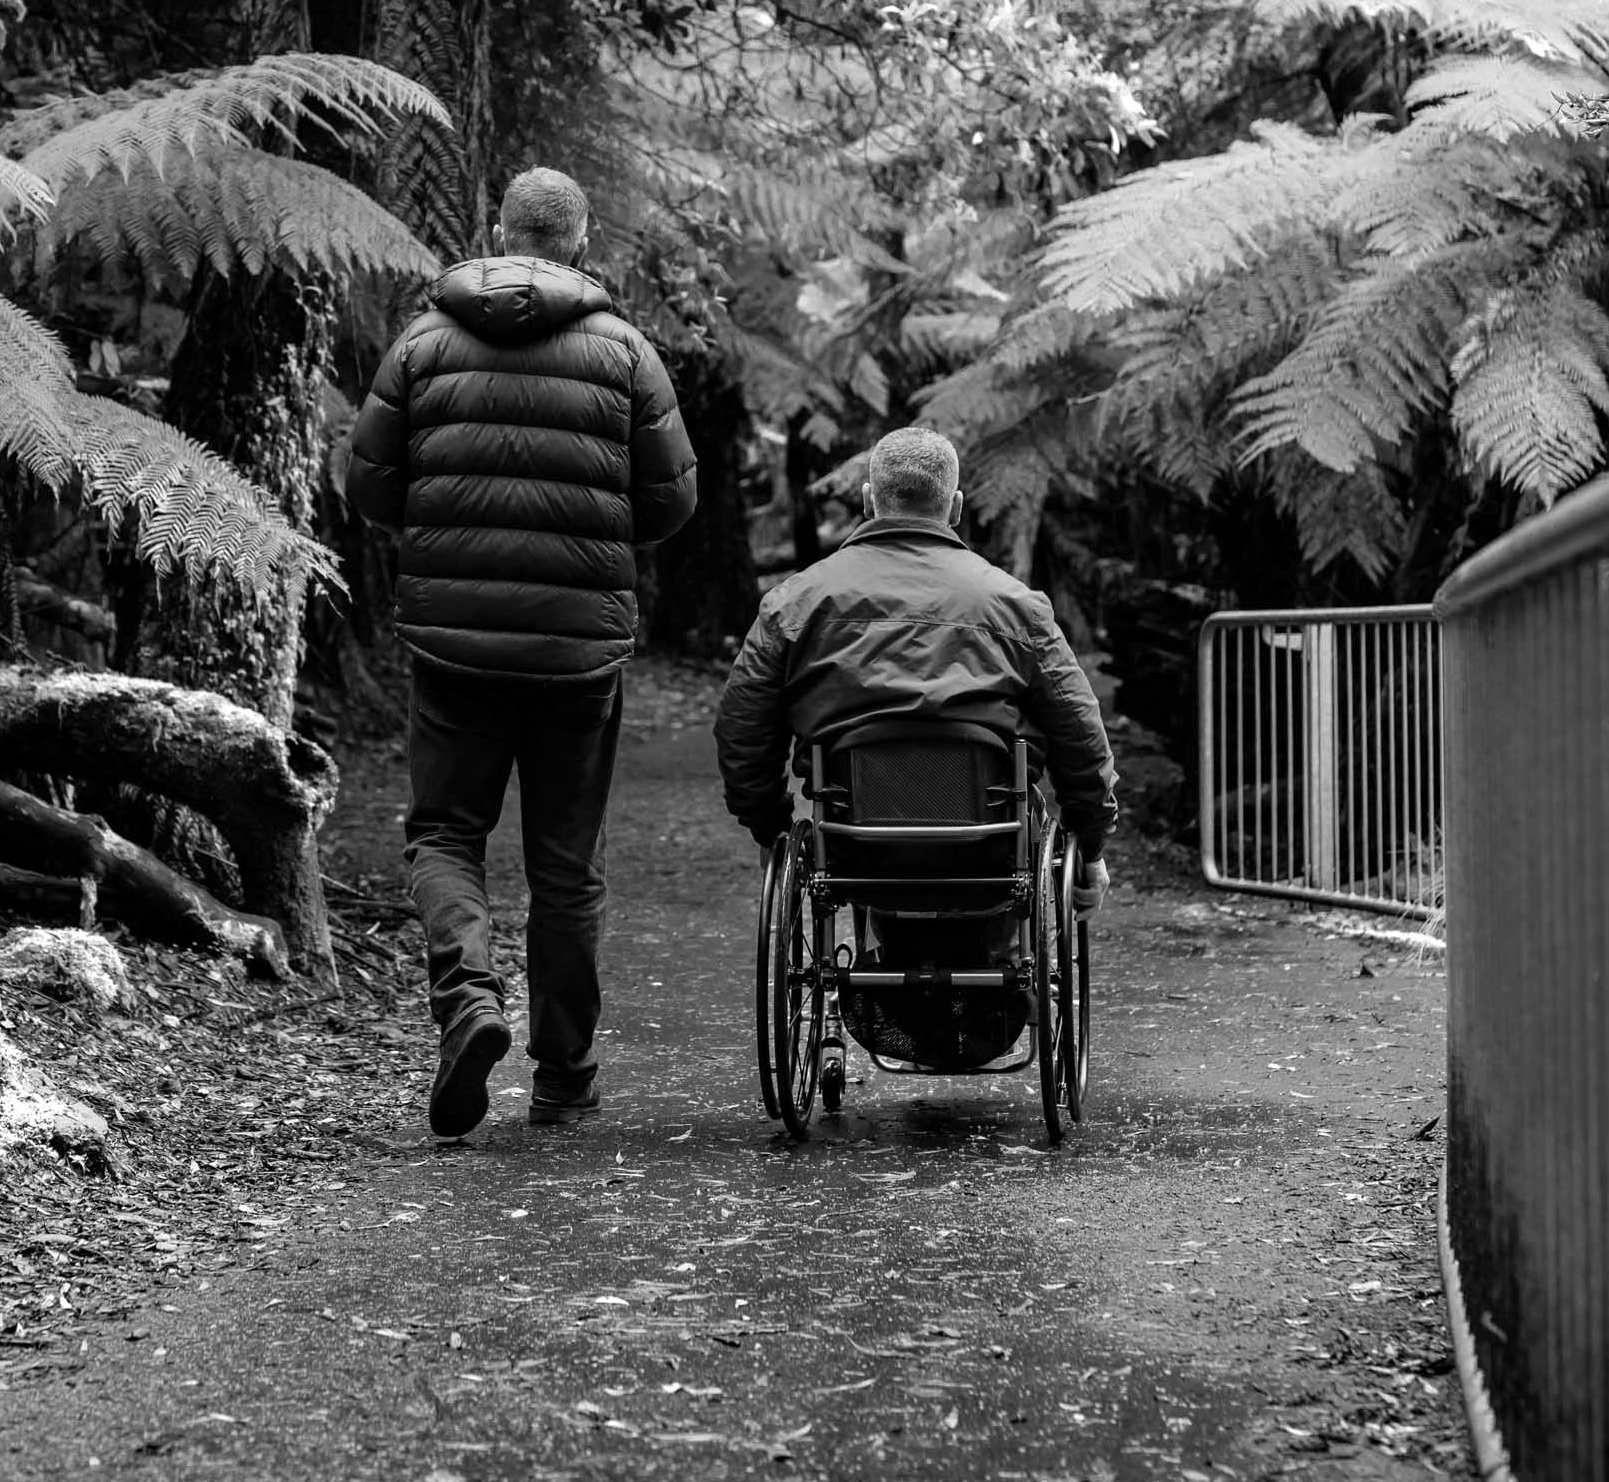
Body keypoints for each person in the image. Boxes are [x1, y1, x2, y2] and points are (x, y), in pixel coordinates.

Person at [347, 167, 698, 1138]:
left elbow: (370, 482)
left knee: (445, 834)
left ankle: (467, 999)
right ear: (581, 245)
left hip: (451, 642)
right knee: (564, 864)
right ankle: (564, 1077)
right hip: (577, 650)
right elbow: (671, 502)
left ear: (497, 231)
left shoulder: (424, 341)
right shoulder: (624, 354)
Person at [712, 424, 1116, 912]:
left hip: (851, 850)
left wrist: (770, 828)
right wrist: (1088, 844)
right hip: (990, 851)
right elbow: (1081, 735)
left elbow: (742, 730)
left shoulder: (794, 604)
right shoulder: (1016, 606)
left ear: (867, 499)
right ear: (957, 506)